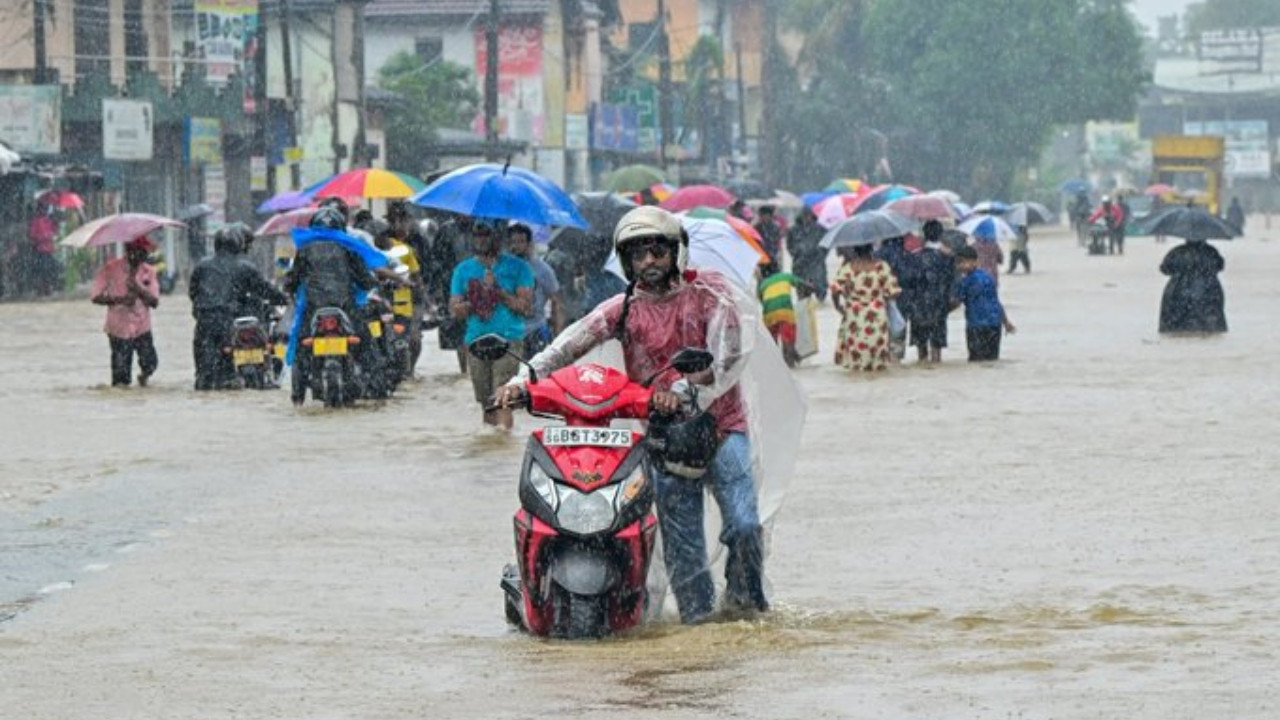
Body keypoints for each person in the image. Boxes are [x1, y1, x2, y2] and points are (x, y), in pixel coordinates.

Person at [494, 205, 770, 623]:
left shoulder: (712, 293)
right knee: (685, 550)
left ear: (676, 252)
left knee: (746, 525)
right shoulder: (622, 308)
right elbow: (567, 345)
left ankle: (745, 607)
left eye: (658, 251)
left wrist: (686, 388)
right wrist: (522, 380)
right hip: (664, 438)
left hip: (723, 427)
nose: (649, 261)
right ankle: (699, 631)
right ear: (627, 262)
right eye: (638, 254)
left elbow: (730, 355)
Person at [283, 207, 379, 405]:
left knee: (302, 349)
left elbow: (293, 280)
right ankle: (375, 390)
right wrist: (372, 282)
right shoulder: (349, 248)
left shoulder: (305, 249)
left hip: (313, 309)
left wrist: (290, 288)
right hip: (346, 308)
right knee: (368, 346)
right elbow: (365, 281)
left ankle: (298, 396)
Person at [449, 219, 534, 430]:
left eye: (486, 235)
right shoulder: (463, 270)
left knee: (502, 397)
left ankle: (503, 441)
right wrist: (479, 297)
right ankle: (490, 444)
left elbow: (524, 307)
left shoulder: (519, 267)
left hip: (508, 339)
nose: (481, 240)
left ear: (497, 237)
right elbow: (456, 310)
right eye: (477, 235)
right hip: (476, 340)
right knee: (487, 403)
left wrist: (498, 291)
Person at [188, 227, 287, 390]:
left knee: (203, 376)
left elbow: (193, 293)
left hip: (205, 322)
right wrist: (283, 298)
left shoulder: (201, 266)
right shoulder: (245, 267)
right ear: (238, 245)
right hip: (230, 322)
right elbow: (265, 289)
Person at [91, 237, 160, 387]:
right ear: (129, 251)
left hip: (142, 326)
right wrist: (120, 300)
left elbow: (155, 302)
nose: (143, 256)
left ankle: (143, 377)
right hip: (119, 328)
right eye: (140, 252)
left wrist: (139, 290)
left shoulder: (148, 271)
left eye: (145, 252)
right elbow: (95, 296)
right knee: (121, 377)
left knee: (150, 363)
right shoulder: (110, 269)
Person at [830, 243, 900, 372]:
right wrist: (880, 297)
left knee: (856, 359)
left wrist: (838, 306)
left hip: (854, 317)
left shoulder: (848, 268)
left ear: (855, 250)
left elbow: (835, 290)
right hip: (877, 316)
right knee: (878, 359)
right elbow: (894, 292)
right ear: (871, 249)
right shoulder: (881, 267)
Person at [506, 222, 564, 358]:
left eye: (521, 241)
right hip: (508, 333)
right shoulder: (501, 269)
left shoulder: (542, 269)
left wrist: (558, 337)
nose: (516, 246)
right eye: (513, 242)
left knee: (535, 370)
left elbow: (557, 301)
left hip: (535, 331)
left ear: (529, 244)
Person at [951, 245, 1016, 361]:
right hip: (994, 325)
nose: (960, 266)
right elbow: (996, 302)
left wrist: (942, 313)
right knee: (992, 359)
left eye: (963, 262)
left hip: (976, 326)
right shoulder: (988, 277)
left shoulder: (965, 282)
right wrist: (1006, 322)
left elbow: (956, 302)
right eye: (958, 263)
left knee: (975, 360)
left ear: (975, 261)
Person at [1158, 238, 1227, 334]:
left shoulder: (1177, 252)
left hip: (1178, 291)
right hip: (1208, 291)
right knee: (1209, 327)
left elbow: (1164, 269)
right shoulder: (1211, 252)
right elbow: (1220, 266)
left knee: (1176, 328)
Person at [913, 220, 956, 364]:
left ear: (924, 235)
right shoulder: (948, 257)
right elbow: (952, 280)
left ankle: (922, 365)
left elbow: (910, 281)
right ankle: (936, 364)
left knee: (921, 345)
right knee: (937, 345)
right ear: (941, 235)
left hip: (918, 304)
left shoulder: (915, 256)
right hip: (939, 303)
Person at [874, 234, 923, 361]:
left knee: (881, 330)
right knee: (898, 327)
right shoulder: (909, 256)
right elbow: (914, 278)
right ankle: (896, 357)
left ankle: (883, 356)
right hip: (903, 297)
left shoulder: (877, 256)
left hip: (880, 299)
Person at [758, 262, 811, 367]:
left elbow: (761, 300)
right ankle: (790, 364)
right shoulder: (785, 276)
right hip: (785, 311)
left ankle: (774, 366)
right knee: (788, 340)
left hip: (769, 314)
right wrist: (810, 286)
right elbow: (801, 284)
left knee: (772, 342)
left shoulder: (763, 284)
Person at [785, 207, 828, 301]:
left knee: (820, 294)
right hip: (800, 266)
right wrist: (797, 254)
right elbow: (789, 245)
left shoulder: (821, 229)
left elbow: (827, 245)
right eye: (804, 216)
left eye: (808, 216)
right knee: (802, 296)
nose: (806, 218)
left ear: (812, 216)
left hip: (817, 266)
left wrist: (820, 256)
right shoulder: (793, 230)